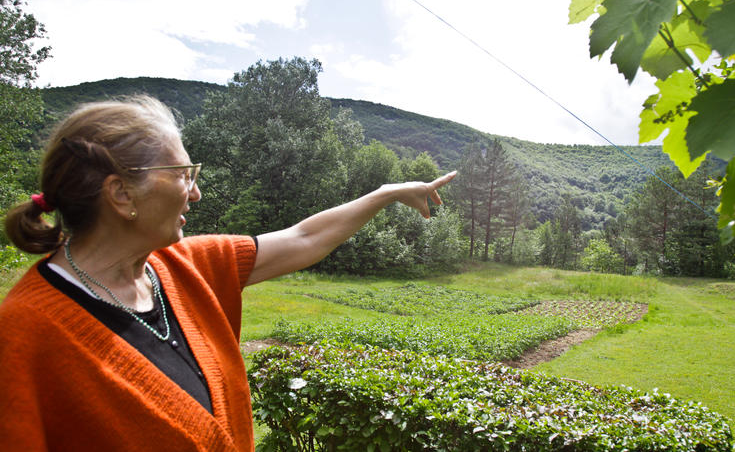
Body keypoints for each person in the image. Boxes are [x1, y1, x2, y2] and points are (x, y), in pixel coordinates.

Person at [0, 96, 456, 451]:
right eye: (183, 174)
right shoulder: (24, 334)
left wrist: (386, 192)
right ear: (121, 194)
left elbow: (302, 239)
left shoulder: (184, 266)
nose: (195, 193)